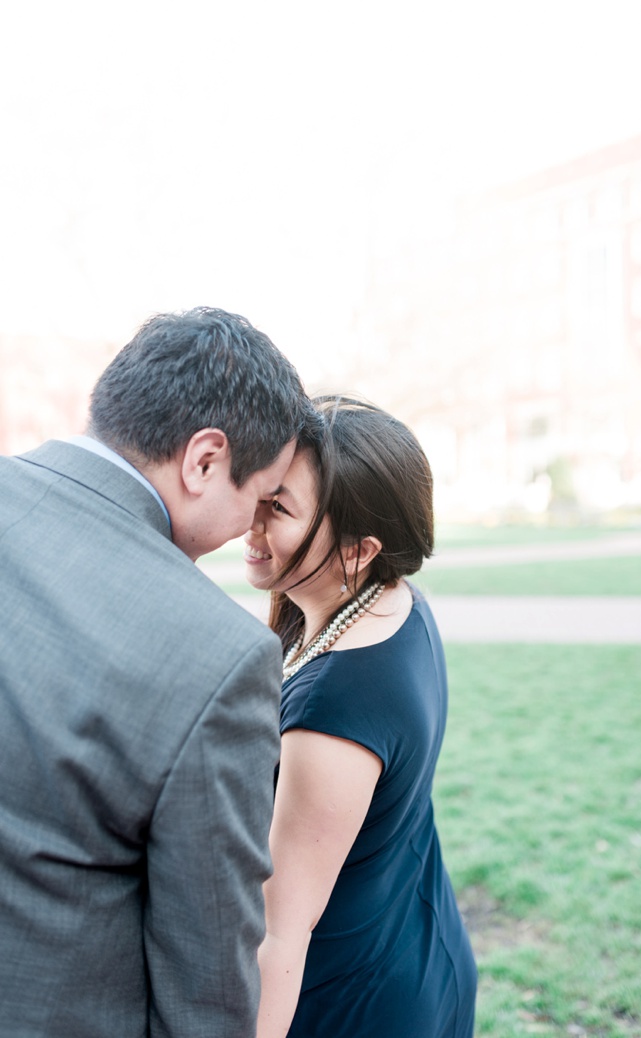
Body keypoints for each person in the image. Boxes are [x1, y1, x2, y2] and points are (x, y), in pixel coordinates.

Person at [0, 308, 310, 1037]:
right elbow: (205, 986)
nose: (250, 528)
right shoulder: (218, 658)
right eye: (259, 497)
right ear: (204, 461)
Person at [246, 395, 476, 1038]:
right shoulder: (394, 601)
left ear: (358, 548)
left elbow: (278, 936)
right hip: (417, 941)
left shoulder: (334, 710)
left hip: (354, 1002)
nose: (250, 521)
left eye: (279, 508)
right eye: (261, 491)